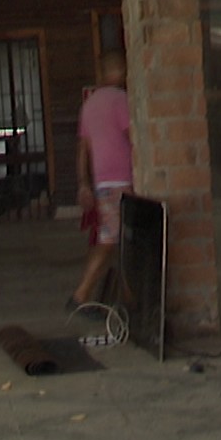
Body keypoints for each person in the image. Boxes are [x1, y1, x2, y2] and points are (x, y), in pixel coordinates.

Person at [69, 51, 133, 312]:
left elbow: (82, 148)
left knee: (117, 240)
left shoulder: (90, 104)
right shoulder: (121, 100)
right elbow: (133, 138)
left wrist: (83, 182)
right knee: (110, 240)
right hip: (121, 179)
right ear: (119, 72)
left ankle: (129, 298)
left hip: (101, 180)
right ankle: (80, 296)